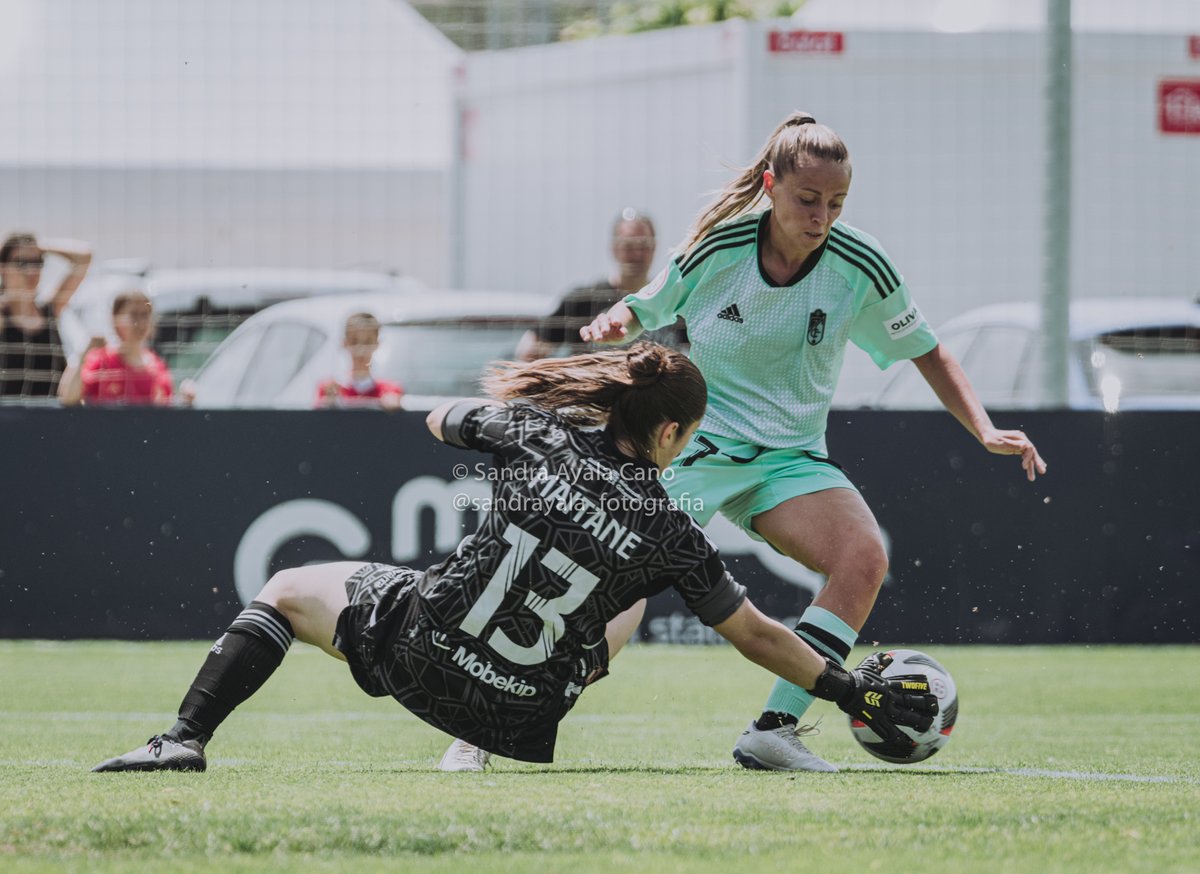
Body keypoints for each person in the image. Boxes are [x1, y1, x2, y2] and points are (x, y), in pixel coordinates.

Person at [90, 344, 936, 774]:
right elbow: (754, 635)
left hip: (417, 653)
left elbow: (438, 420)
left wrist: (549, 403)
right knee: (631, 595)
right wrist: (847, 688)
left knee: (283, 588)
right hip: (519, 715)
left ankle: (182, 740)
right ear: (672, 432)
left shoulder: (534, 434)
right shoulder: (673, 531)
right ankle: (480, 736)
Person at [579, 111, 1047, 773]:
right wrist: (616, 319)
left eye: (836, 202)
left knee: (863, 557)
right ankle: (495, 723)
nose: (821, 216)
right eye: (807, 199)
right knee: (620, 582)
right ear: (771, 186)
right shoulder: (720, 246)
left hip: (792, 460)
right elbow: (647, 305)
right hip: (702, 449)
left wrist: (984, 428)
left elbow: (928, 349)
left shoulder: (860, 263)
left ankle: (774, 730)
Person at [515, 209, 686, 362]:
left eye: (643, 246)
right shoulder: (582, 301)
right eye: (628, 246)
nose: (636, 254)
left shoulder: (671, 299)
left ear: (654, 248)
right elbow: (528, 351)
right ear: (614, 248)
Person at [0, 231, 92, 400]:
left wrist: (43, 246)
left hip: (50, 413)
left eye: (37, 262)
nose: (31, 270)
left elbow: (84, 257)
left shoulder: (51, 310)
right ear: (3, 268)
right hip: (8, 415)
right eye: (22, 263)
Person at [58, 290, 174, 407]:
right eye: (133, 315)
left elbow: (165, 407)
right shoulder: (100, 361)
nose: (140, 323)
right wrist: (84, 354)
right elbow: (68, 399)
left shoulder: (157, 367)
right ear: (115, 319)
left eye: (145, 315)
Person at [315, 312, 404, 410]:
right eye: (354, 342)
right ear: (345, 343)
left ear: (377, 344)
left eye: (367, 342)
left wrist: (394, 407)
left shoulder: (389, 390)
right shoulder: (330, 389)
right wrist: (327, 405)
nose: (361, 349)